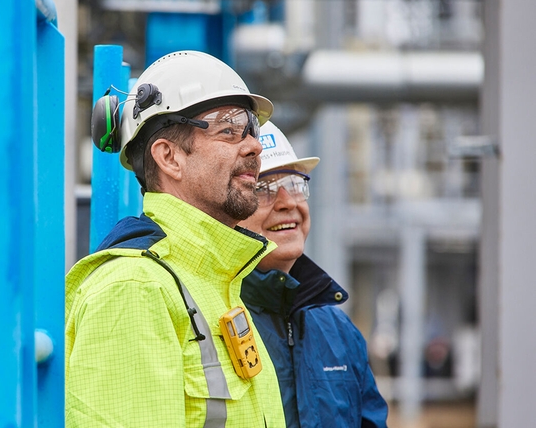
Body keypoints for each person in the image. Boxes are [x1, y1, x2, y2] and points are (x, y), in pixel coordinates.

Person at [66, 51, 286, 427]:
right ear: (169, 157)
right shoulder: (133, 290)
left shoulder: (217, 283)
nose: (254, 146)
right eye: (228, 129)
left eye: (250, 128)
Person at [239, 121, 389, 428]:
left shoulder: (338, 330)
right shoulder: (208, 315)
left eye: (295, 184)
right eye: (263, 188)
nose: (288, 202)